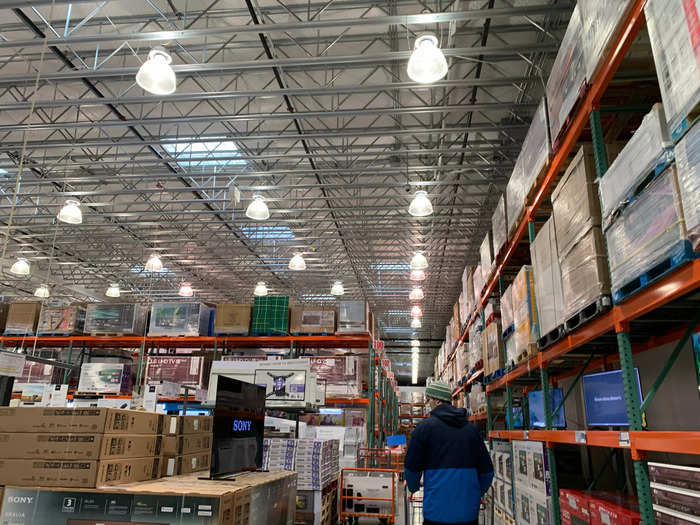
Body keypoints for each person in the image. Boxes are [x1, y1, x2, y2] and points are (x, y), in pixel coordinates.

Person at [404, 380, 494, 525]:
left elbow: (411, 469)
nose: (428, 403)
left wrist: (413, 487)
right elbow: (487, 473)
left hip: (436, 513)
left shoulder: (423, 429)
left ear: (436, 401)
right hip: (468, 514)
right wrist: (475, 494)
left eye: (429, 400)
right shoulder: (471, 430)